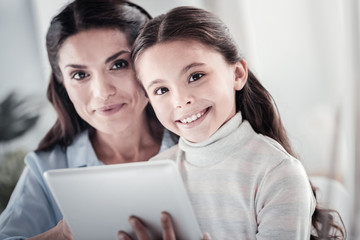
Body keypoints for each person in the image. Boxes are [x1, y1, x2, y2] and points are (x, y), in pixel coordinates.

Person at [118, 6, 346, 240]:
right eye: (161, 89)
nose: (181, 100)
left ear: (237, 74)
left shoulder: (277, 173)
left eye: (195, 76)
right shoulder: (155, 172)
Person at [0, 0, 177, 239]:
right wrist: (60, 235)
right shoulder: (46, 167)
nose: (102, 92)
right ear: (63, 83)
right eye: (80, 74)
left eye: (119, 64)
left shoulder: (197, 143)